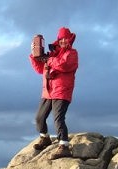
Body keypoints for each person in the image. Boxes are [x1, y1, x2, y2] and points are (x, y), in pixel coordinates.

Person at [29, 27, 79, 160]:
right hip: (48, 91)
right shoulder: (52, 54)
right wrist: (35, 56)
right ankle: (44, 138)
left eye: (65, 39)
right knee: (39, 118)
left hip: (62, 91)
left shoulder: (72, 53)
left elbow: (65, 65)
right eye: (61, 39)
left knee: (58, 118)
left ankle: (64, 146)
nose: (63, 41)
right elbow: (40, 70)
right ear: (58, 39)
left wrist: (49, 60)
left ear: (69, 40)